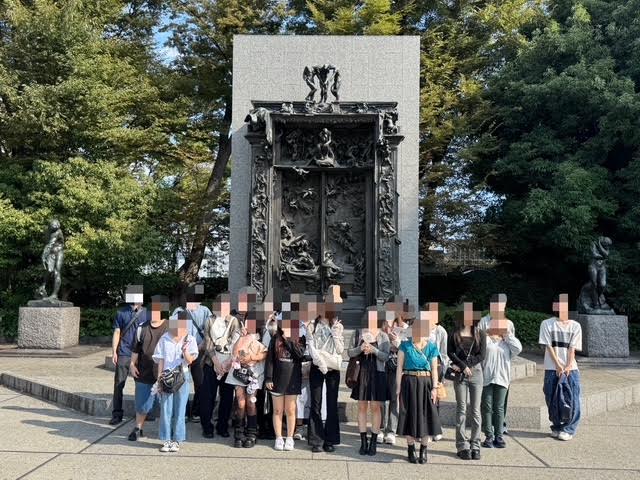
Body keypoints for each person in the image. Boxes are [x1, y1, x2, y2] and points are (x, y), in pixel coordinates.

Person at [396, 307, 442, 464]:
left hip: (426, 383)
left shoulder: (431, 347)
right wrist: (397, 388)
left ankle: (424, 448)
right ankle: (410, 448)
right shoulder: (405, 345)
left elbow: (434, 369)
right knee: (408, 414)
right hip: (408, 382)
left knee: (427, 415)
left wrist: (435, 388)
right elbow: (399, 368)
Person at [153, 310, 199, 452]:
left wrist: (185, 351)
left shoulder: (190, 339)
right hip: (167, 376)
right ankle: (166, 439)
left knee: (180, 409)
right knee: (166, 408)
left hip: (182, 377)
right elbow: (161, 360)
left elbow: (190, 361)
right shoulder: (164, 338)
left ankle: (177, 440)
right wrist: (159, 378)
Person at [539, 294, 583, 441]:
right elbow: (548, 346)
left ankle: (569, 429)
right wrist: (558, 365)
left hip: (571, 369)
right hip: (552, 367)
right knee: (551, 398)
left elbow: (572, 348)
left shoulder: (575, 326)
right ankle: (557, 427)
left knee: (573, 399)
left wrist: (568, 365)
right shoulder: (547, 324)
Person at [348, 307, 390, 456]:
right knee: (361, 407)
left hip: (377, 374)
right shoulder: (358, 333)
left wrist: (374, 350)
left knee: (375, 407)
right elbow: (350, 352)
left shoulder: (383, 335)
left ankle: (373, 441)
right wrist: (360, 348)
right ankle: (363, 441)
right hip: (361, 373)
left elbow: (386, 356)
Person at [307, 287, 344, 453]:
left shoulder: (337, 325)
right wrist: (320, 363)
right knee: (315, 403)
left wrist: (335, 333)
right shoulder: (312, 325)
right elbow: (311, 347)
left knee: (331, 403)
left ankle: (330, 439)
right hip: (317, 366)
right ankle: (316, 439)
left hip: (333, 368)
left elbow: (340, 349)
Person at [448, 302, 487, 460]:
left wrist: (467, 365)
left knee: (476, 410)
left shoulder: (480, 333)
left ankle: (475, 444)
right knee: (461, 409)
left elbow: (481, 355)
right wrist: (463, 367)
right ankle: (462, 445)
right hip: (460, 374)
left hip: (476, 373)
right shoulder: (454, 333)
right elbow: (450, 352)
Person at [127, 295, 169, 441]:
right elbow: (136, 348)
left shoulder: (170, 327)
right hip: (143, 371)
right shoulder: (142, 327)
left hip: (165, 373)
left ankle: (166, 433)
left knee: (166, 405)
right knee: (141, 403)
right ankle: (138, 428)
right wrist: (132, 364)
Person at [200, 292, 240, 438]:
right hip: (211, 363)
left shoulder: (234, 321)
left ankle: (223, 426)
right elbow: (208, 343)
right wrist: (216, 363)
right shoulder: (209, 321)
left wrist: (227, 363)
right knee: (207, 396)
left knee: (227, 397)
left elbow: (235, 343)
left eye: (226, 305)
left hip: (228, 364)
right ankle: (207, 427)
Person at [171, 284, 212, 424]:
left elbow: (209, 331)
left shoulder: (205, 311)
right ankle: (183, 411)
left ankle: (196, 411)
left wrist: (201, 346)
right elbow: (172, 331)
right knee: (181, 382)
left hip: (199, 352)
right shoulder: (179, 311)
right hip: (181, 354)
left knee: (200, 382)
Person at [480, 313, 522, 449]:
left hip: (502, 378)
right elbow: (479, 350)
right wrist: (487, 335)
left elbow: (518, 348)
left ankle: (499, 435)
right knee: (487, 406)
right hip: (486, 377)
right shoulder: (485, 340)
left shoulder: (507, 342)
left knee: (499, 407)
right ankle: (488, 435)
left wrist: (507, 335)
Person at [265, 319, 305, 451]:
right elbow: (270, 359)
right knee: (277, 410)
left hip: (292, 379)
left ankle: (289, 438)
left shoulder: (300, 337)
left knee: (290, 410)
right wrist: (268, 378)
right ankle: (278, 437)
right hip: (277, 379)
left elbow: (299, 354)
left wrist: (288, 339)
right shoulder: (275, 338)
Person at [109, 285, 146, 425]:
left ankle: (142, 412)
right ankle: (117, 413)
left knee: (141, 386)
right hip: (125, 353)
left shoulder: (147, 313)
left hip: (140, 355)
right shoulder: (121, 313)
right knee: (119, 385)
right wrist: (114, 351)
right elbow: (117, 332)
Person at [479, 293, 513, 435]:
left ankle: (500, 424)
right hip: (487, 365)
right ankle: (487, 427)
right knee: (486, 401)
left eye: (502, 306)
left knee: (501, 400)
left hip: (503, 365)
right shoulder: (483, 321)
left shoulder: (508, 323)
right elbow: (479, 342)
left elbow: (512, 345)